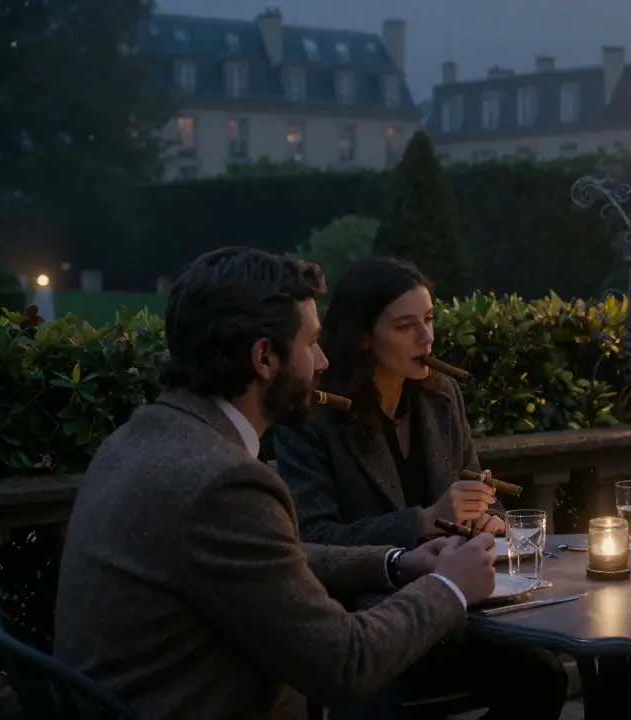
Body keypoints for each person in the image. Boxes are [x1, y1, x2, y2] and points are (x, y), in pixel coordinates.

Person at [54, 247, 498, 720]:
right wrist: (449, 587)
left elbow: (273, 555)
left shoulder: (139, 436)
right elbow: (345, 665)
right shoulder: (225, 482)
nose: (324, 361)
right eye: (311, 344)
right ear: (264, 357)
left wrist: (397, 561)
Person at [274, 256, 568, 720]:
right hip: (366, 622)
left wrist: (478, 519)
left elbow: (468, 480)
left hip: (456, 614)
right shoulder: (315, 414)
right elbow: (311, 539)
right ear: (363, 336)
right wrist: (420, 522)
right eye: (406, 326)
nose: (427, 338)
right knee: (373, 699)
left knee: (543, 676)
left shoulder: (440, 395)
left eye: (428, 320)